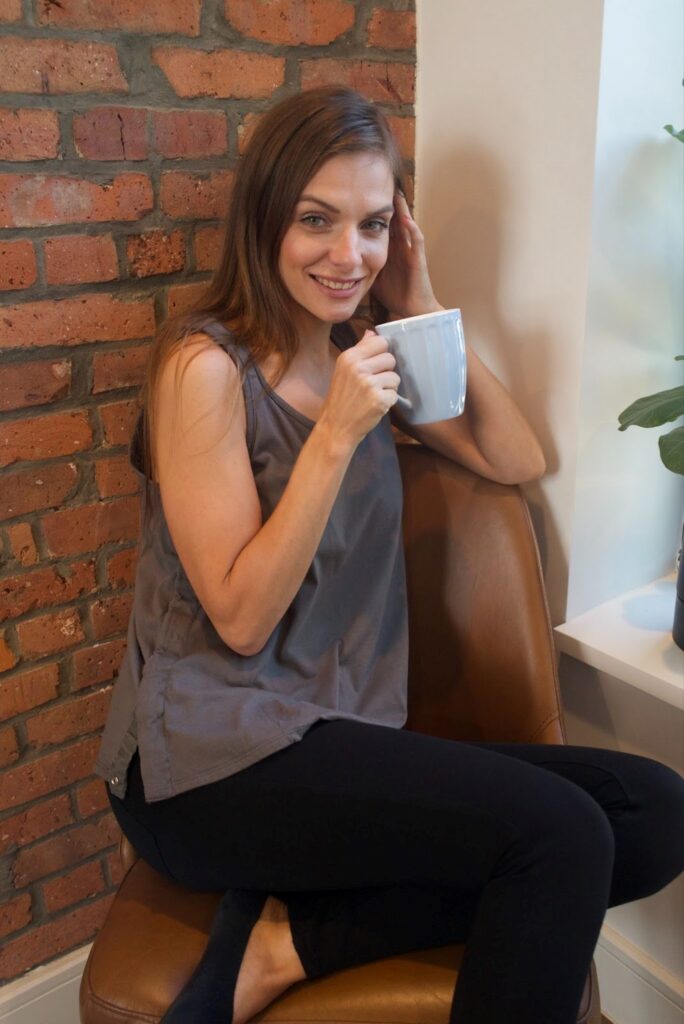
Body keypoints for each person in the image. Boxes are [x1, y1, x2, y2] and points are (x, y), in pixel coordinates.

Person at [96, 86, 684, 1024]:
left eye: (373, 225)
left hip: (335, 733)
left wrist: (423, 303)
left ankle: (293, 941)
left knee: (653, 813)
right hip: (206, 766)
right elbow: (241, 621)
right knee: (562, 837)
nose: (348, 254)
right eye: (317, 221)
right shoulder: (203, 367)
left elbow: (514, 457)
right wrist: (332, 436)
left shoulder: (367, 349)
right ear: (264, 221)